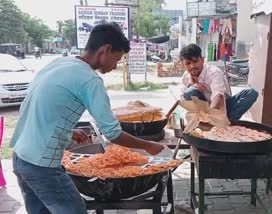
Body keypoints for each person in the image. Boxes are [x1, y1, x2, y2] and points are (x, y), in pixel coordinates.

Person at [10, 23, 165, 214]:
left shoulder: (60, 63)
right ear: (105, 50)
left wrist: (68, 131)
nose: (115, 66)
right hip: (42, 166)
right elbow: (113, 133)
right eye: (116, 59)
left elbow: (40, 108)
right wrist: (147, 146)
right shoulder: (90, 80)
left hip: (20, 157)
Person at [180, 44, 258, 121]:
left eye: (195, 61)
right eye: (188, 63)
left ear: (202, 60)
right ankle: (206, 121)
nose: (192, 66)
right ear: (183, 64)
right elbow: (183, 100)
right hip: (203, 111)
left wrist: (210, 117)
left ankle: (227, 122)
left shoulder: (214, 72)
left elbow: (218, 96)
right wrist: (192, 86)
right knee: (189, 92)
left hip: (223, 105)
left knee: (251, 92)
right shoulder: (185, 77)